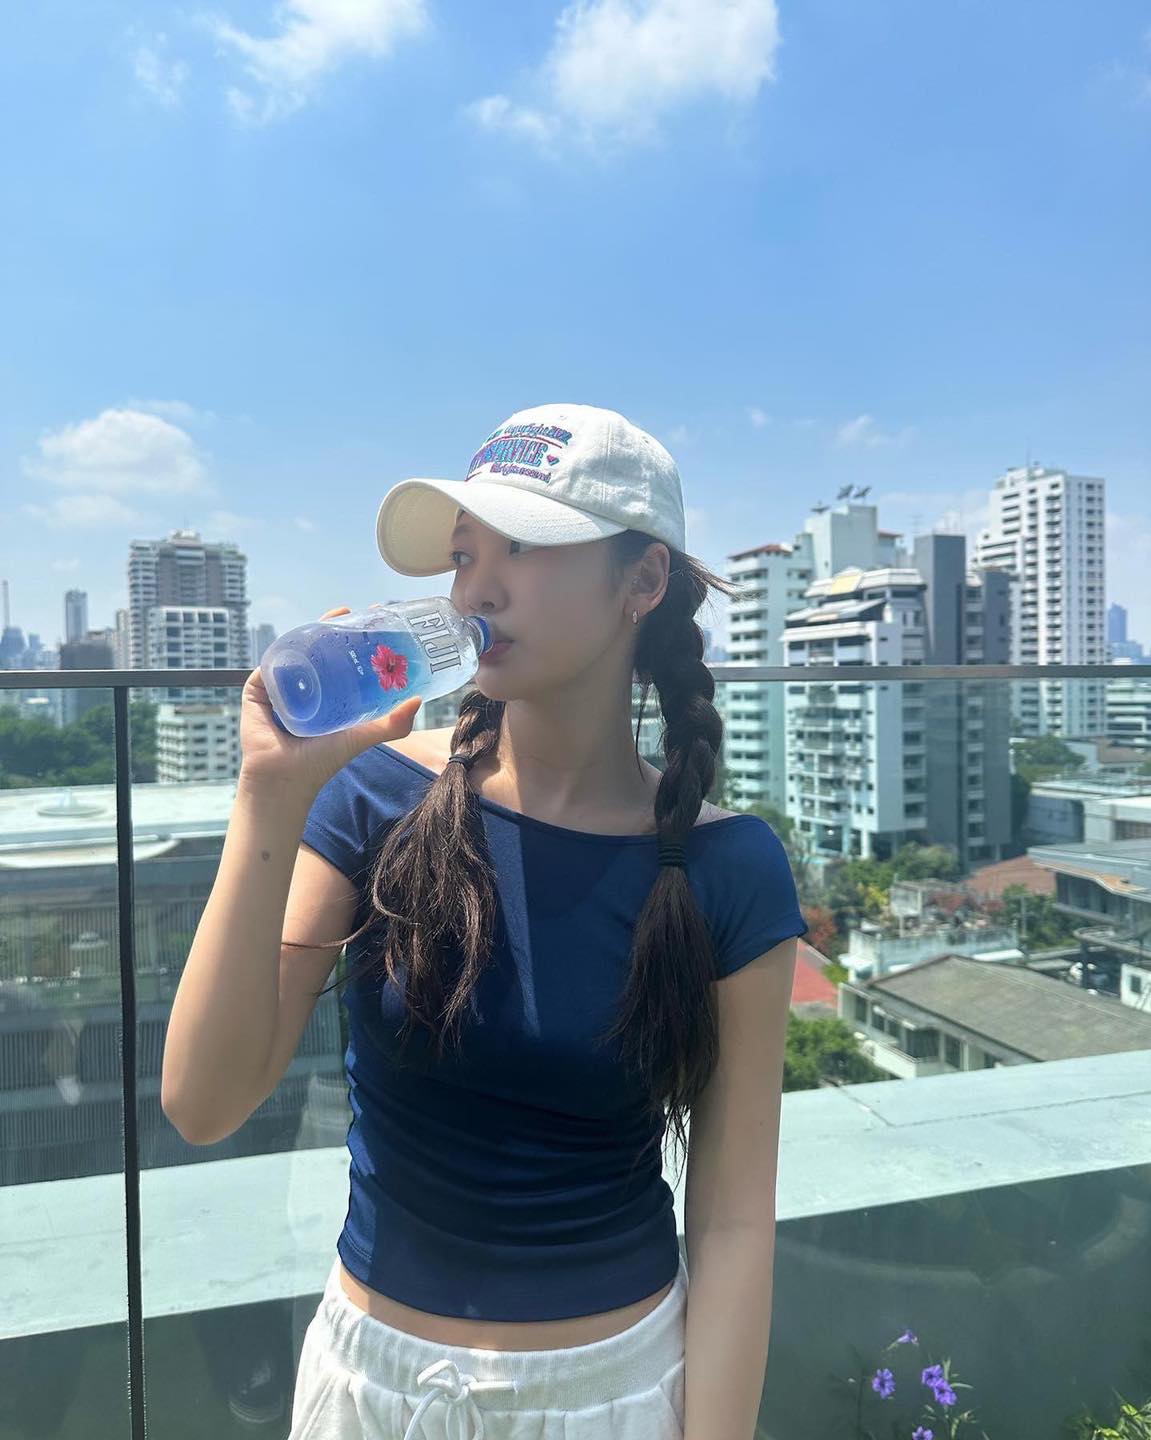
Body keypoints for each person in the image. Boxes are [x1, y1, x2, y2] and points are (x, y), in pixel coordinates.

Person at [164, 402, 809, 1440]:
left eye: (526, 548)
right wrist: (269, 796)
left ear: (642, 581)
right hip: (367, 1387)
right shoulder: (376, 796)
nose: (477, 589)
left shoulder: (725, 867)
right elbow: (204, 1103)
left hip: (610, 1394)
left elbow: (732, 1222)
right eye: (466, 555)